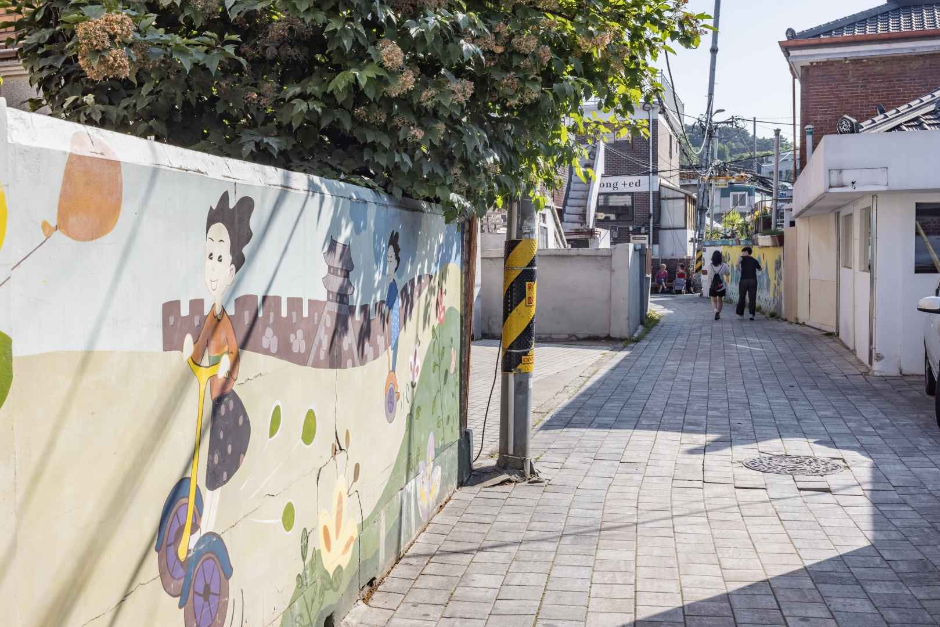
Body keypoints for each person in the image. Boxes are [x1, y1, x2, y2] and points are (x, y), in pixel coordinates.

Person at [183, 191, 255, 546]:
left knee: (213, 473)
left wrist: (224, 368)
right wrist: (191, 356)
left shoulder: (223, 322)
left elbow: (233, 359)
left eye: (219, 258)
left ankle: (209, 526)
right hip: (208, 402)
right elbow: (198, 354)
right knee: (203, 467)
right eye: (209, 255)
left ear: (231, 271)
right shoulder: (210, 318)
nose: (212, 267)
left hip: (225, 409)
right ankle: (200, 527)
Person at [736, 246, 762, 320]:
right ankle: (751, 314)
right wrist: (759, 268)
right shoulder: (755, 260)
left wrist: (737, 265)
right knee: (752, 298)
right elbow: (759, 268)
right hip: (753, 281)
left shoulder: (742, 258)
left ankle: (740, 314)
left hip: (744, 281)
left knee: (742, 297)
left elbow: (739, 259)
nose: (742, 254)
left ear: (747, 252)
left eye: (743, 252)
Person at [704, 250, 730, 320]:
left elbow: (708, 276)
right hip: (721, 286)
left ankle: (715, 310)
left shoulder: (709, 266)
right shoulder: (724, 265)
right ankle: (718, 313)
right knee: (720, 300)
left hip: (712, 286)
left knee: (713, 300)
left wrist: (709, 285)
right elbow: (728, 274)